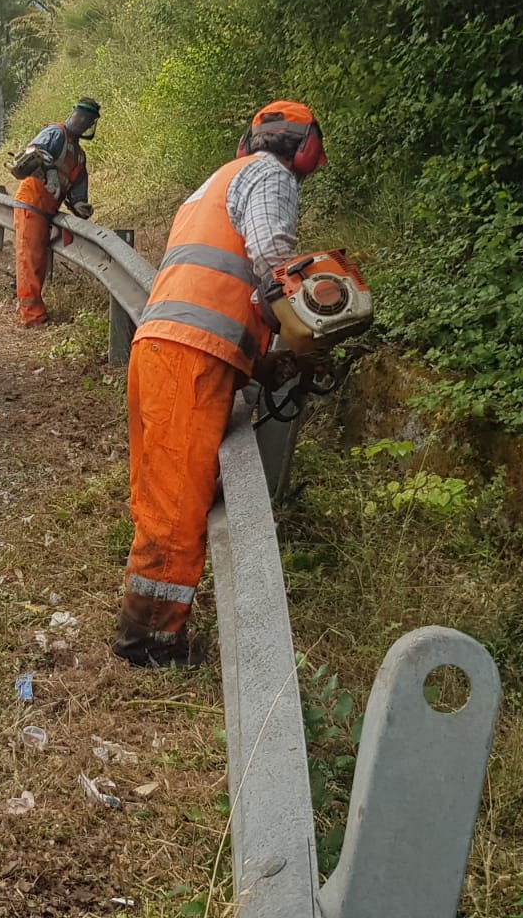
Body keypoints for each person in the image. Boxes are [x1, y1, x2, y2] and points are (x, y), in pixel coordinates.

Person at [112, 100, 325, 667]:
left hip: (163, 347)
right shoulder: (269, 176)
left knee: (159, 495)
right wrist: (307, 324)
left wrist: (260, 362)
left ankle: (146, 627)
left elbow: (215, 288)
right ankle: (150, 644)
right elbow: (272, 256)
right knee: (178, 508)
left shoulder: (215, 181)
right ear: (305, 149)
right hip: (190, 358)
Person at [9, 98, 99, 326]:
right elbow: (33, 151)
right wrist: (48, 172)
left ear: (91, 123)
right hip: (32, 202)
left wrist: (79, 205)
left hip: (47, 210)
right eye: (79, 115)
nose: (81, 121)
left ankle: (33, 311)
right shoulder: (55, 133)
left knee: (37, 261)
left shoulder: (79, 156)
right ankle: (32, 316)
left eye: (86, 119)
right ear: (73, 113)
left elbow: (78, 189)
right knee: (29, 260)